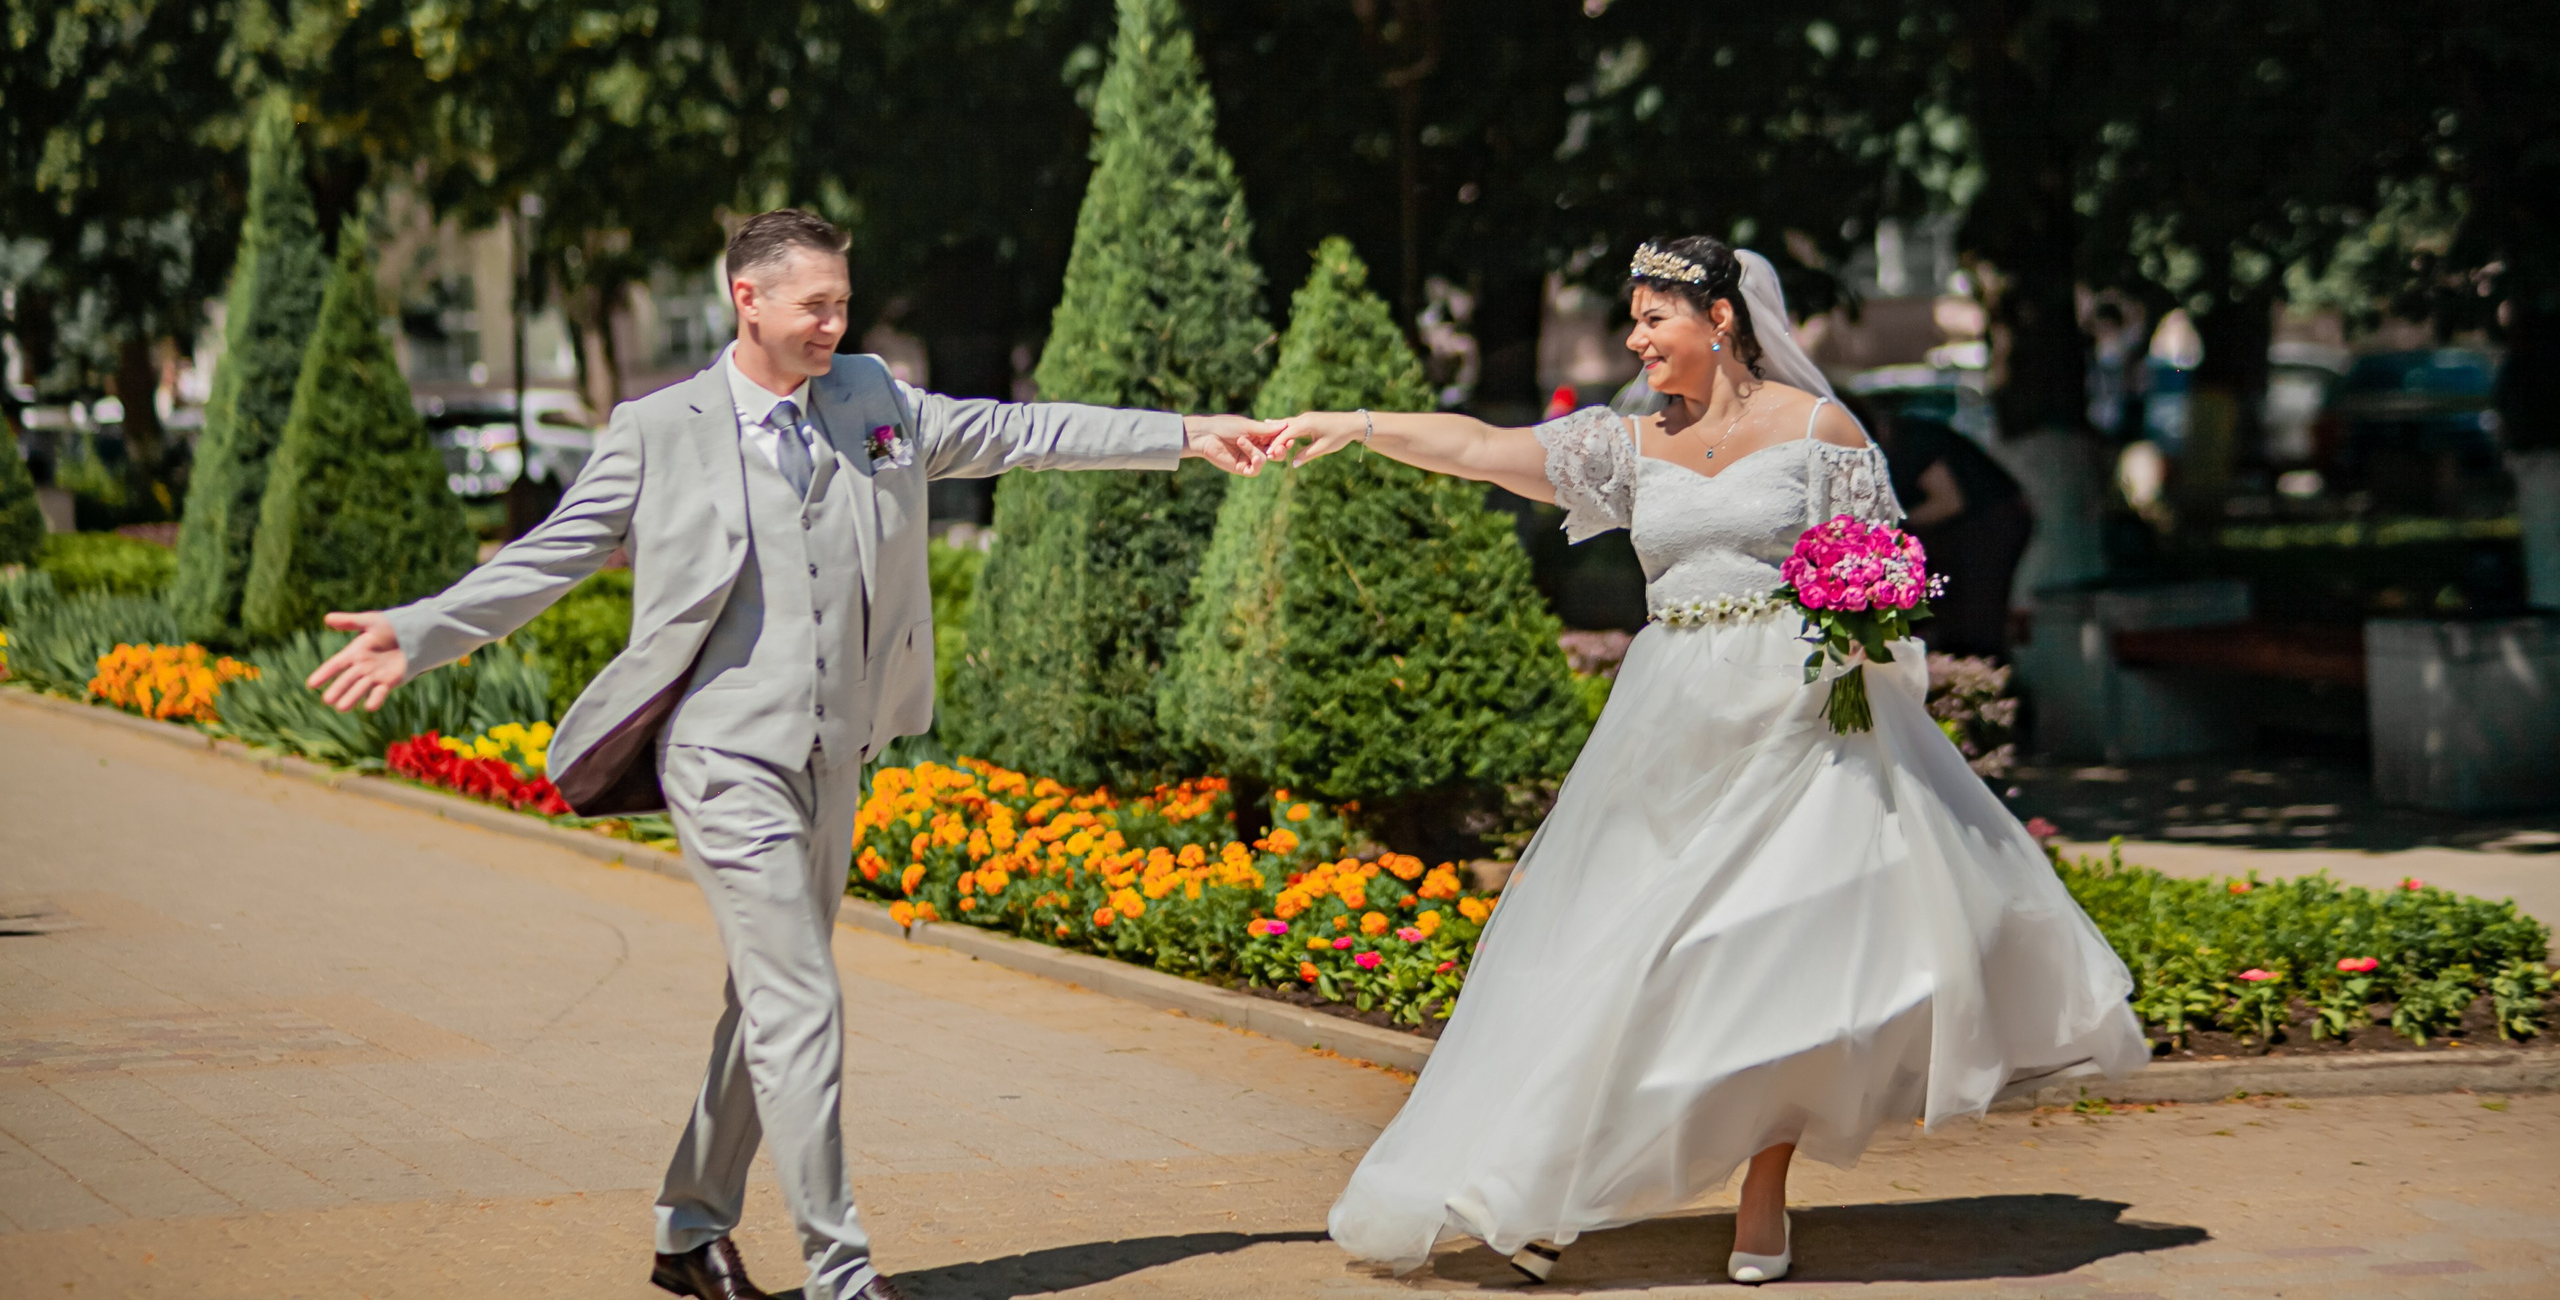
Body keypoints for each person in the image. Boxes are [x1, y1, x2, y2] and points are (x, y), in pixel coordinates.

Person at [307, 209, 1269, 1300]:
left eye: (842, 305)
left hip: (833, 755)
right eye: (815, 306)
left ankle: (688, 1229)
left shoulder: (874, 398)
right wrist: (422, 630)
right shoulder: (657, 429)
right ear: (747, 299)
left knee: (767, 1000)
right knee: (800, 999)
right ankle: (842, 1273)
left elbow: (1019, 431)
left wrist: (1184, 434)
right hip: (722, 759)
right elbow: (552, 556)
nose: (834, 325)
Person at [1254, 236, 2144, 1286]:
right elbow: (1482, 446)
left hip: (1805, 724)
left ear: (1718, 319)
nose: (1635, 340)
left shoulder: (1820, 430)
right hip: (1671, 723)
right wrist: (1359, 426)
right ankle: (1544, 1181)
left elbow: (1886, 577)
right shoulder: (1627, 444)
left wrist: (1858, 626)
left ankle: (1761, 1192)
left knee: (1771, 966)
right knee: (1628, 956)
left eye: (1652, 318)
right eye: (1633, 320)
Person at [1862, 403, 2034, 660]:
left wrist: (1892, 529)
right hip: (1968, 529)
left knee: (1976, 616)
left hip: (1988, 524)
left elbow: (1949, 502)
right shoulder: (1893, 444)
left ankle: (1977, 672)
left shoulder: (1910, 442)